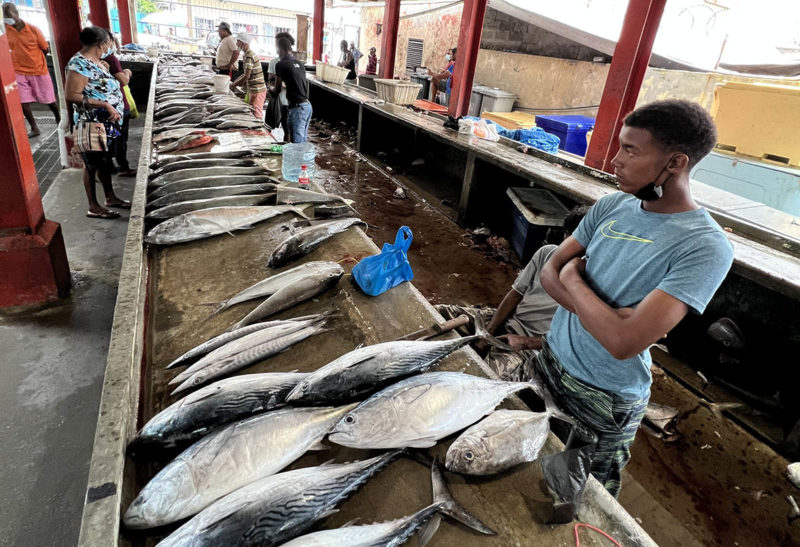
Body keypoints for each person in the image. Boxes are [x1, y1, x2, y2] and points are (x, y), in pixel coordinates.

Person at [538, 100, 734, 498]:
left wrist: (576, 282)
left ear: (675, 163)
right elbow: (547, 270)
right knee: (533, 465)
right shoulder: (613, 206)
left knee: (577, 497)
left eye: (630, 150)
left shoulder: (704, 246)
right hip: (550, 360)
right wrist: (608, 319)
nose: (615, 160)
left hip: (603, 396)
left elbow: (624, 345)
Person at [436, 205, 589, 381]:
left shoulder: (595, 286)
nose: (572, 250)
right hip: (509, 320)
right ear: (565, 235)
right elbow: (515, 294)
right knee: (439, 313)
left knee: (481, 378)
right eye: (569, 239)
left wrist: (527, 342)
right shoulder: (547, 253)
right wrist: (488, 334)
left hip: (530, 346)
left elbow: (575, 344)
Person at [65, 26, 129, 219]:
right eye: (109, 42)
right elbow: (72, 95)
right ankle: (93, 206)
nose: (111, 45)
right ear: (102, 44)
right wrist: (104, 104)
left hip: (107, 123)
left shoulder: (98, 62)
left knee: (104, 161)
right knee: (91, 164)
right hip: (91, 121)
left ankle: (110, 197)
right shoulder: (79, 63)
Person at [3, 2, 60, 137]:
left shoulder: (33, 29)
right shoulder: (5, 30)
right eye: (5, 17)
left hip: (38, 70)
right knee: (23, 102)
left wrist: (36, 60)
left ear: (16, 14)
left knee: (50, 100)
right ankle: (34, 128)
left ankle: (59, 120)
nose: (7, 19)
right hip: (18, 71)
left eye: (9, 15)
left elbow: (45, 48)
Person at [103, 32, 136, 177]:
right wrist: (127, 72)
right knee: (121, 138)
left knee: (110, 137)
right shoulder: (110, 58)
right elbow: (123, 80)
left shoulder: (91, 59)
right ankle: (123, 166)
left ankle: (109, 165)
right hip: (118, 105)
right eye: (112, 41)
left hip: (105, 106)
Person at [273, 37, 311, 143]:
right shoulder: (300, 63)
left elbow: (276, 89)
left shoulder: (280, 64)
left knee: (297, 144)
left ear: (280, 50)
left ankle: (299, 159)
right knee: (301, 140)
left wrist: (270, 89)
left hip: (298, 108)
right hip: (307, 106)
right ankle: (302, 159)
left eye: (277, 50)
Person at [230, 32, 267, 119]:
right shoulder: (247, 54)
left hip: (257, 90)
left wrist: (234, 85)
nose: (236, 43)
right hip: (253, 89)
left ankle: (259, 132)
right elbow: (244, 74)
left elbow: (247, 76)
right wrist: (234, 83)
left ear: (243, 42)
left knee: (256, 115)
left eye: (238, 41)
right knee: (251, 112)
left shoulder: (249, 56)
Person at [267, 31, 294, 140]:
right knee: (270, 126)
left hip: (286, 101)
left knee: (287, 129)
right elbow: (270, 80)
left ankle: (286, 152)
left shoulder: (293, 62)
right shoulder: (274, 62)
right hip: (279, 100)